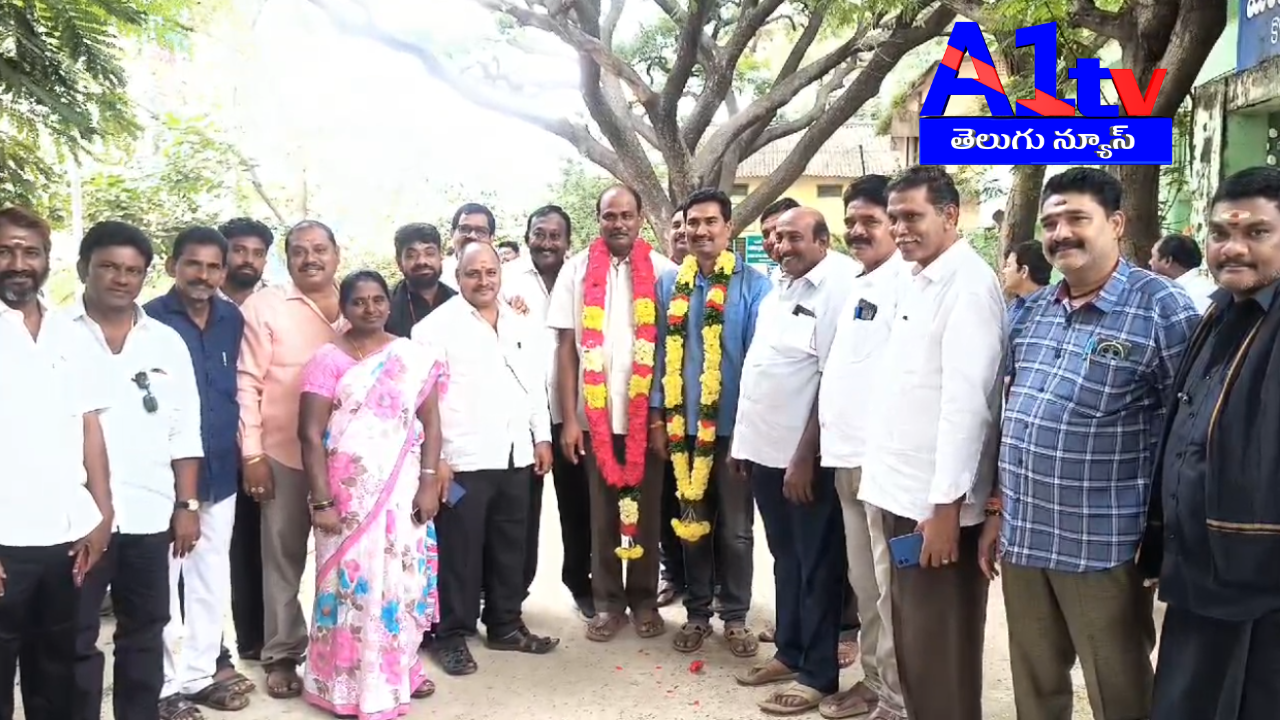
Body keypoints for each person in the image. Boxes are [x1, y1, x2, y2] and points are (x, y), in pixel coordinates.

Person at [993, 168, 1199, 720]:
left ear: (1116, 223)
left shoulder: (1162, 308)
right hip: (1025, 536)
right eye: (1050, 223)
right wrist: (995, 511)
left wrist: (1167, 537)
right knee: (1035, 686)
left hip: (1105, 545)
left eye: (1077, 218)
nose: (1061, 233)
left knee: (1120, 688)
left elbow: (1190, 428)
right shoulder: (1033, 311)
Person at [858, 166, 1004, 720]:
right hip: (899, 492)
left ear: (950, 215)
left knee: (941, 654)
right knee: (915, 648)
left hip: (935, 509)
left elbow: (967, 407)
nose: (900, 229)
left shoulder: (968, 286)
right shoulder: (916, 277)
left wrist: (946, 509)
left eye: (912, 217)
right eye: (894, 218)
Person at [1144, 166, 1280, 720]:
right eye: (1221, 233)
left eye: (1257, 232)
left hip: (1261, 584)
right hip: (1200, 571)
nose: (1234, 248)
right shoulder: (1222, 312)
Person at [69, 221, 205, 720]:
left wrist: (187, 505)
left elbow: (184, 429)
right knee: (75, 635)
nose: (121, 279)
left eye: (132, 270)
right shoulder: (57, 338)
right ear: (83, 268)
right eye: (108, 266)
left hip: (150, 512)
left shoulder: (166, 343)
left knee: (146, 629)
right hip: (77, 517)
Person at [298, 271, 445, 718]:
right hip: (346, 497)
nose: (370, 308)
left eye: (378, 299)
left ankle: (399, 671)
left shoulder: (411, 357)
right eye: (359, 301)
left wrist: (429, 481)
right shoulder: (327, 359)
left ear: (388, 303)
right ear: (344, 308)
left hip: (401, 490)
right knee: (351, 587)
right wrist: (322, 501)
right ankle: (343, 684)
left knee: (401, 582)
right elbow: (309, 434)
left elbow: (431, 423)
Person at [730, 206, 857, 714]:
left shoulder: (839, 285)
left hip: (804, 460)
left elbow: (833, 379)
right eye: (777, 238)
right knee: (786, 558)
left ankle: (819, 674)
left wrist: (806, 456)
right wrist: (744, 443)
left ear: (823, 240)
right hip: (765, 452)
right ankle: (790, 651)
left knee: (818, 565)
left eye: (794, 238)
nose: (782, 247)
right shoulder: (779, 287)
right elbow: (761, 368)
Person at [412, 242, 559, 675]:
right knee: (460, 550)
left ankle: (505, 625)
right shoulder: (433, 329)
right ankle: (451, 635)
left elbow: (533, 384)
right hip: (462, 464)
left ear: (500, 275)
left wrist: (541, 437)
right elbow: (424, 401)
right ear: (457, 277)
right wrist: (437, 460)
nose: (483, 281)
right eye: (472, 273)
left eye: (490, 272)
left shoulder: (519, 321)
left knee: (511, 544)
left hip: (515, 456)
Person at [547, 185, 676, 643]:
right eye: (609, 215)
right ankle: (607, 603)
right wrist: (569, 419)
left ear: (640, 218)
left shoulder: (663, 271)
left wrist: (661, 418)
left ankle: (643, 600)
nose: (618, 223)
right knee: (601, 515)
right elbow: (566, 349)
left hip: (647, 419)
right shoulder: (576, 270)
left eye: (626, 215)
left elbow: (672, 351)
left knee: (648, 512)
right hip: (594, 418)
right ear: (598, 218)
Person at [0, 207, 113, 720]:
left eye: (30, 252)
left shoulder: (70, 334)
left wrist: (102, 517)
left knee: (58, 676)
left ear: (47, 260)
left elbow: (90, 426)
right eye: (5, 251)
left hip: (65, 538)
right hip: (5, 540)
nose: (18, 262)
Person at [650, 188, 770, 657]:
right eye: (692, 223)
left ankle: (735, 618)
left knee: (736, 531)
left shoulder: (754, 285)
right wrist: (659, 419)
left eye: (710, 222)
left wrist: (751, 432)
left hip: (736, 430)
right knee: (692, 523)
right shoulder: (669, 286)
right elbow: (660, 355)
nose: (700, 231)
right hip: (683, 430)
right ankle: (697, 614)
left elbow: (760, 364)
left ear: (728, 227)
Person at [144, 227, 254, 715]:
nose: (203, 275)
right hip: (165, 477)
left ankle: (199, 675)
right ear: (173, 266)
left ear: (223, 273)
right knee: (162, 584)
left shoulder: (232, 318)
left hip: (221, 471)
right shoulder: (150, 320)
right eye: (193, 264)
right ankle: (163, 686)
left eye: (213, 267)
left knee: (212, 578)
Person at [238, 220, 346, 699]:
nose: (310, 258)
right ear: (287, 258)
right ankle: (282, 653)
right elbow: (247, 383)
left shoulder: (358, 301)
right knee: (282, 559)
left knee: (348, 559)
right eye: (299, 251)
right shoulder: (266, 305)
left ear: (337, 254)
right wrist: (252, 453)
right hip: (283, 454)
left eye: (319, 249)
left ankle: (344, 649)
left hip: (348, 462)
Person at [816, 176, 909, 720]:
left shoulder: (907, 283)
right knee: (865, 583)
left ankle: (896, 695)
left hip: (882, 465)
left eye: (870, 221)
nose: (857, 230)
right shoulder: (861, 282)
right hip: (846, 459)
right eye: (851, 221)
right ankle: (874, 681)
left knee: (888, 589)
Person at [503, 206, 593, 614]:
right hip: (523, 413)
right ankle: (512, 592)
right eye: (539, 233)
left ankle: (580, 582)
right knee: (521, 510)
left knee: (578, 505)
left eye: (555, 235)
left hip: (571, 410)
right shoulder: (507, 278)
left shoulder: (581, 277)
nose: (547, 243)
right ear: (527, 237)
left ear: (567, 241)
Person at [214, 218, 274, 668]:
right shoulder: (202, 302)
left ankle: (255, 639)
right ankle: (209, 653)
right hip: (211, 445)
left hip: (261, 445)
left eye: (257, 253)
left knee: (254, 547)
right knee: (206, 555)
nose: (247, 260)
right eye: (239, 250)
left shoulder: (273, 304)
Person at [386, 223, 456, 338]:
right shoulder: (386, 307)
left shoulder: (459, 302)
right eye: (411, 255)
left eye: (429, 253)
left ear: (441, 256)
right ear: (399, 262)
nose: (421, 261)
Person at [1151, 232, 1217, 313]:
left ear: (1168, 261)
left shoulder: (1180, 296)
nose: (1150, 262)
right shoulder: (1208, 288)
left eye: (1153, 257)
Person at [440, 203, 497, 290]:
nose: (472, 236)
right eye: (464, 229)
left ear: (491, 238)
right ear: (452, 233)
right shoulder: (437, 277)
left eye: (481, 231)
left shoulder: (506, 280)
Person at [760, 197, 800, 287]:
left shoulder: (831, 276)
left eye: (778, 230)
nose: (771, 240)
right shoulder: (775, 277)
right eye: (765, 234)